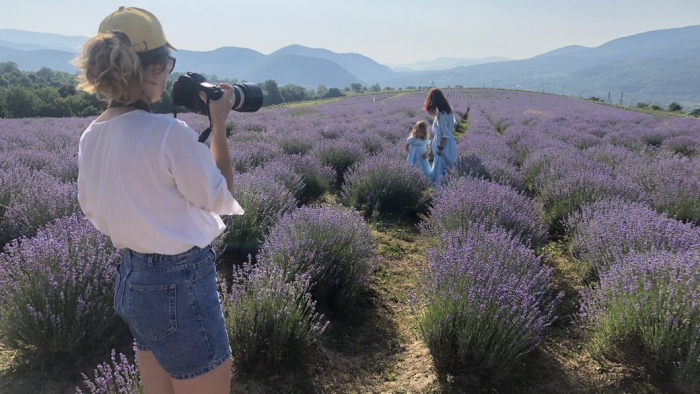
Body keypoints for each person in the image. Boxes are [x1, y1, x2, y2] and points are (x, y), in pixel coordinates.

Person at [74, 7, 243, 394]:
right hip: (179, 282)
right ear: (151, 69)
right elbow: (221, 196)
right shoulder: (168, 134)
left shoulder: (92, 136)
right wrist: (218, 124)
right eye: (167, 63)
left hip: (133, 280)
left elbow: (92, 210)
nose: (168, 72)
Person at [423, 88, 457, 185]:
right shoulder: (448, 108)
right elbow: (451, 125)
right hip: (450, 141)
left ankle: (439, 188)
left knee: (440, 165)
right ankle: (449, 187)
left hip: (443, 142)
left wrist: (439, 147)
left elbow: (444, 133)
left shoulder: (441, 113)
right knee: (447, 166)